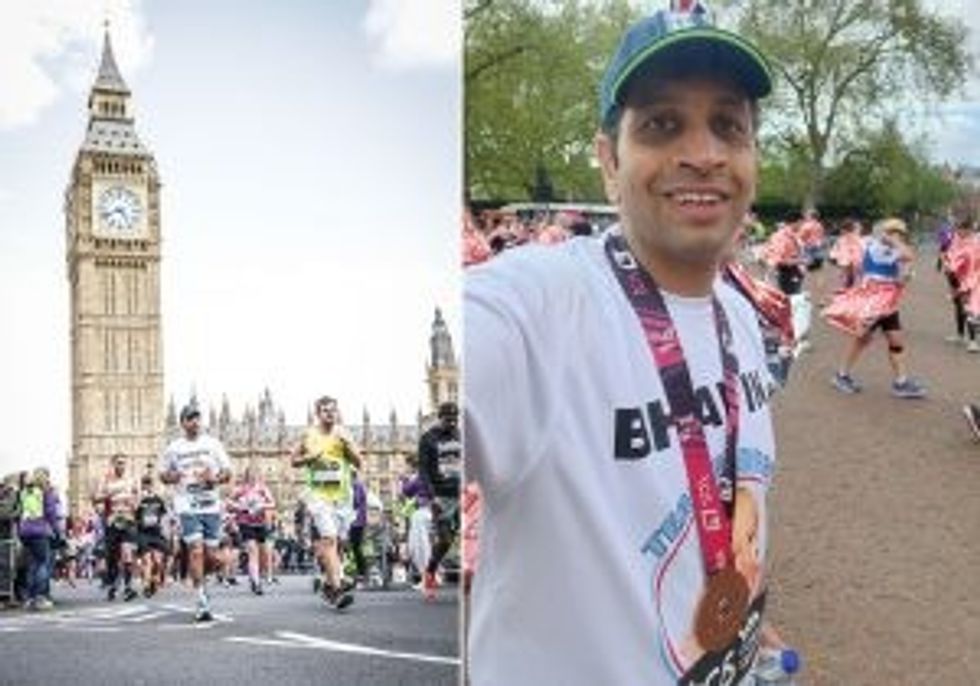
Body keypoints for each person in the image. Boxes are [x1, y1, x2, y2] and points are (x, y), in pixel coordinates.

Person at [465, 7, 780, 684]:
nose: (704, 153)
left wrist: (744, 623)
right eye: (663, 123)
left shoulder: (740, 319)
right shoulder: (538, 310)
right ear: (610, 159)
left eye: (729, 124)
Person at [824, 218, 927, 398]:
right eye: (897, 233)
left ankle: (901, 382)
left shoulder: (887, 247)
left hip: (887, 301)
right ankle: (842, 375)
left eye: (901, 234)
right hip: (875, 301)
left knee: (895, 340)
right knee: (863, 338)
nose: (900, 237)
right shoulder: (877, 246)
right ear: (888, 233)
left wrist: (901, 278)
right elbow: (908, 255)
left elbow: (897, 265)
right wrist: (895, 242)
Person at [159, 404, 232, 622]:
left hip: (210, 504)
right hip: (186, 504)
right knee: (196, 551)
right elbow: (163, 475)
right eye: (190, 419)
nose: (195, 422)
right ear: (182, 423)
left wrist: (215, 479)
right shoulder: (174, 448)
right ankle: (201, 599)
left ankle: (203, 580)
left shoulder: (213, 444)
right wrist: (174, 476)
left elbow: (228, 472)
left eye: (198, 418)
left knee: (212, 557)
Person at [289, 395, 361, 610]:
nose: (330, 414)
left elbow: (358, 462)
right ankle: (337, 589)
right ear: (317, 413)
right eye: (326, 410)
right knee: (329, 539)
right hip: (317, 495)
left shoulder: (344, 434)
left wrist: (349, 447)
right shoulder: (307, 435)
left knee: (337, 543)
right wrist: (309, 458)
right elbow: (293, 461)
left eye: (333, 410)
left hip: (341, 495)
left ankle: (329, 586)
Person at [417, 401, 461, 601]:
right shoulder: (428, 439)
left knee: (473, 538)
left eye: (455, 418)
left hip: (464, 493)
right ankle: (430, 572)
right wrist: (431, 496)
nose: (452, 423)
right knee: (445, 540)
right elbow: (424, 470)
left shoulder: (462, 435)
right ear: (439, 417)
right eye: (448, 419)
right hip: (441, 495)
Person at [93, 453, 140, 601]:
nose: (121, 466)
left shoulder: (132, 479)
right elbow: (95, 497)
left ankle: (128, 587)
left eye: (123, 463)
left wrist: (135, 504)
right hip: (112, 521)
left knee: (127, 553)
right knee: (112, 556)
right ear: (113, 464)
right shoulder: (105, 480)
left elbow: (138, 497)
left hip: (127, 520)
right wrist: (108, 495)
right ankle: (113, 584)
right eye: (118, 463)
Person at [17, 468, 62, 610]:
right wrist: (57, 532)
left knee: (32, 565)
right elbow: (51, 514)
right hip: (39, 531)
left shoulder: (24, 492)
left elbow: (19, 511)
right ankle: (41, 597)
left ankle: (29, 598)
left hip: (24, 532)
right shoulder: (46, 492)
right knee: (42, 563)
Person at [229, 466, 276, 595]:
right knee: (252, 551)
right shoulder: (240, 490)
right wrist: (240, 506)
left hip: (261, 523)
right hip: (245, 522)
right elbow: (228, 502)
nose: (253, 477)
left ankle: (256, 576)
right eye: (250, 475)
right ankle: (256, 582)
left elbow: (273, 503)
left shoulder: (263, 490)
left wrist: (262, 506)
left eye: (255, 474)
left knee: (264, 553)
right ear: (246, 476)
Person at [134, 475, 169, 597]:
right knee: (147, 560)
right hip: (143, 533)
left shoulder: (158, 500)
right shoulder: (139, 499)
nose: (147, 486)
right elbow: (133, 513)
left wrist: (167, 531)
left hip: (156, 533)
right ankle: (146, 586)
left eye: (149, 483)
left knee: (158, 562)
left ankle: (154, 580)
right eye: (145, 483)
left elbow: (164, 516)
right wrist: (138, 501)